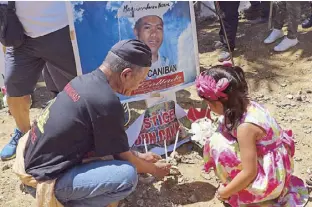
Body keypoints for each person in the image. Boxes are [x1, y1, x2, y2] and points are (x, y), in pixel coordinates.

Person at [13, 39, 171, 207]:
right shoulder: (105, 102)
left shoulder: (85, 81)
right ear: (126, 74)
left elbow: (109, 143)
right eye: (141, 79)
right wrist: (155, 170)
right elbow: (125, 159)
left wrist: (140, 156)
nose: (140, 85)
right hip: (44, 179)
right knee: (127, 176)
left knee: (117, 160)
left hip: (33, 159)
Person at [196, 65, 308, 206]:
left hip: (271, 180)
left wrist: (225, 192)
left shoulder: (246, 127)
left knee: (218, 145)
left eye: (209, 103)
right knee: (220, 132)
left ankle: (242, 190)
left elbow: (250, 172)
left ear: (220, 102)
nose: (208, 107)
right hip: (277, 165)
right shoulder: (247, 105)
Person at [1, 2, 77, 161]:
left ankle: (98, 126)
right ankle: (23, 133)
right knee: (13, 87)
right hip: (21, 37)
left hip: (60, 30)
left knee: (83, 83)